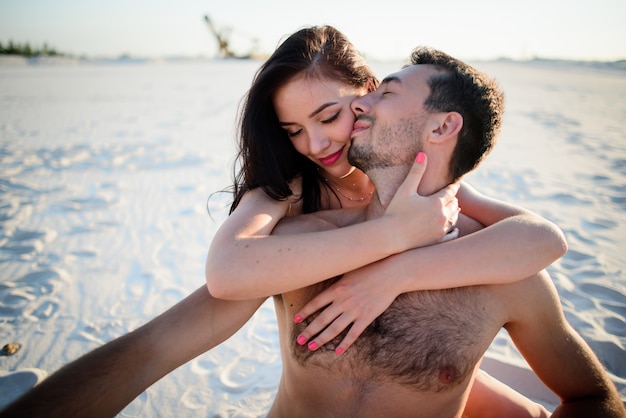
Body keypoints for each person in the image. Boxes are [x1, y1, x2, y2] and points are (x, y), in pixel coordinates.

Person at [0, 27, 597, 417]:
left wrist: (393, 270)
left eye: (333, 114)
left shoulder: (459, 220)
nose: (315, 143)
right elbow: (179, 322)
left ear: (364, 100)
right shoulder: (289, 213)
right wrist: (388, 237)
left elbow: (541, 238)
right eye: (292, 130)